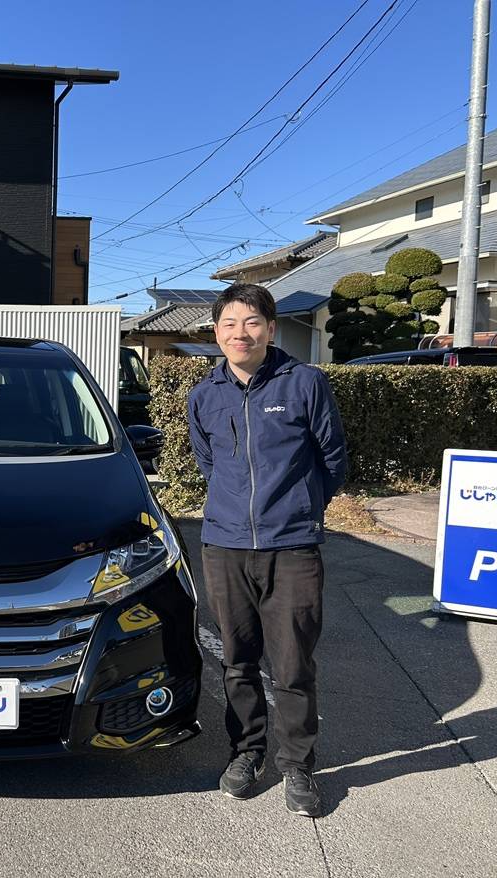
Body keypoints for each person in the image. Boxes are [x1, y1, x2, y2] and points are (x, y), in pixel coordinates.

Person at [187, 283, 347, 818]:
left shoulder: (306, 383)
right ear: (216, 333)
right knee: (237, 661)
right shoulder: (204, 394)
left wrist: (296, 511)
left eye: (252, 322)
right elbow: (209, 463)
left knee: (293, 662)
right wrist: (236, 514)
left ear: (270, 329)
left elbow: (333, 462)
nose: (240, 333)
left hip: (293, 546)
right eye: (229, 323)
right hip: (225, 546)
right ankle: (246, 752)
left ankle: (297, 764)